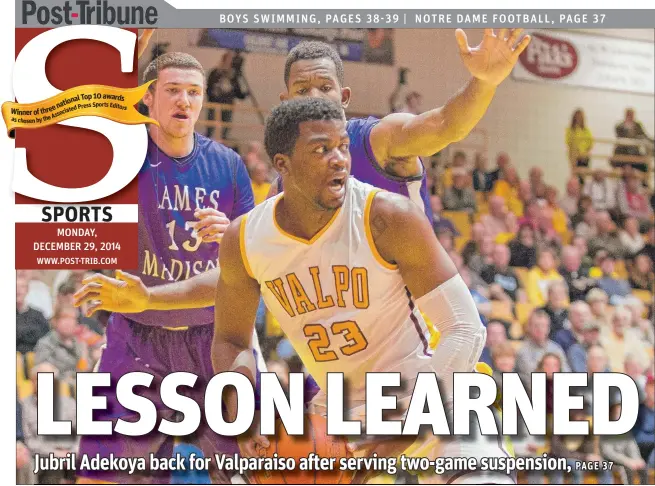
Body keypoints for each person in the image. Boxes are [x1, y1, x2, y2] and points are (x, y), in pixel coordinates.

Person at [76, 31, 532, 325]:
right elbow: (240, 279)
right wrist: (152, 297)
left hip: (421, 325)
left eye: (325, 89)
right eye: (302, 91)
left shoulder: (377, 139)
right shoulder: (284, 186)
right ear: (284, 102)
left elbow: (442, 126)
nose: (315, 98)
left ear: (345, 96)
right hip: (348, 348)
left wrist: (484, 83)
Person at [213, 98, 510, 484]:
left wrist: (408, 424)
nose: (339, 159)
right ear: (282, 164)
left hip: (435, 392)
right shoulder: (246, 239)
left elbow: (465, 330)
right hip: (342, 408)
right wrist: (242, 411)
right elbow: (231, 339)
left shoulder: (387, 217)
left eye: (343, 147)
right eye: (321, 149)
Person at [74, 52, 262, 485]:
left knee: (252, 469)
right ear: (149, 99)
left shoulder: (229, 165)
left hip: (217, 339)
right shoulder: (122, 158)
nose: (185, 101)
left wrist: (233, 234)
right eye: (173, 90)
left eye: (194, 92)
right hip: (139, 336)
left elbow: (253, 263)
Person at [205, 50, 248, 140]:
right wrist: (212, 98)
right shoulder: (215, 73)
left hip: (227, 105)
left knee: (225, 128)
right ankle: (208, 140)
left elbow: (237, 92)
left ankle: (224, 141)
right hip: (215, 104)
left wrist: (244, 94)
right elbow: (208, 88)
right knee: (211, 126)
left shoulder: (233, 76)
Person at [16, 271, 50, 355]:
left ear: (27, 290)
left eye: (22, 287)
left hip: (36, 356)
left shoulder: (38, 315)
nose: (18, 290)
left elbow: (46, 338)